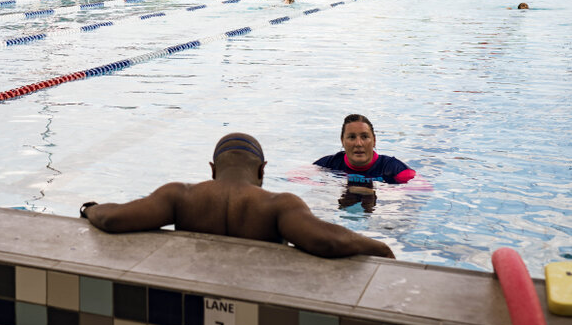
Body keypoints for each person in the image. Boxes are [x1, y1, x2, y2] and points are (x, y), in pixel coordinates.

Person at [80, 133, 394, 259]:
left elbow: (112, 217)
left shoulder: (180, 196)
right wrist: (379, 247)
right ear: (262, 170)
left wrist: (89, 207)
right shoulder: (279, 205)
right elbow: (329, 241)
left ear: (213, 169)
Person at [314, 115, 415, 185]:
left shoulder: (394, 168)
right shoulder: (328, 164)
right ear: (342, 141)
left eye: (365, 137)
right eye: (352, 137)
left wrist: (381, 189)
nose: (358, 143)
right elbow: (299, 178)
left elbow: (422, 189)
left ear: (374, 140)